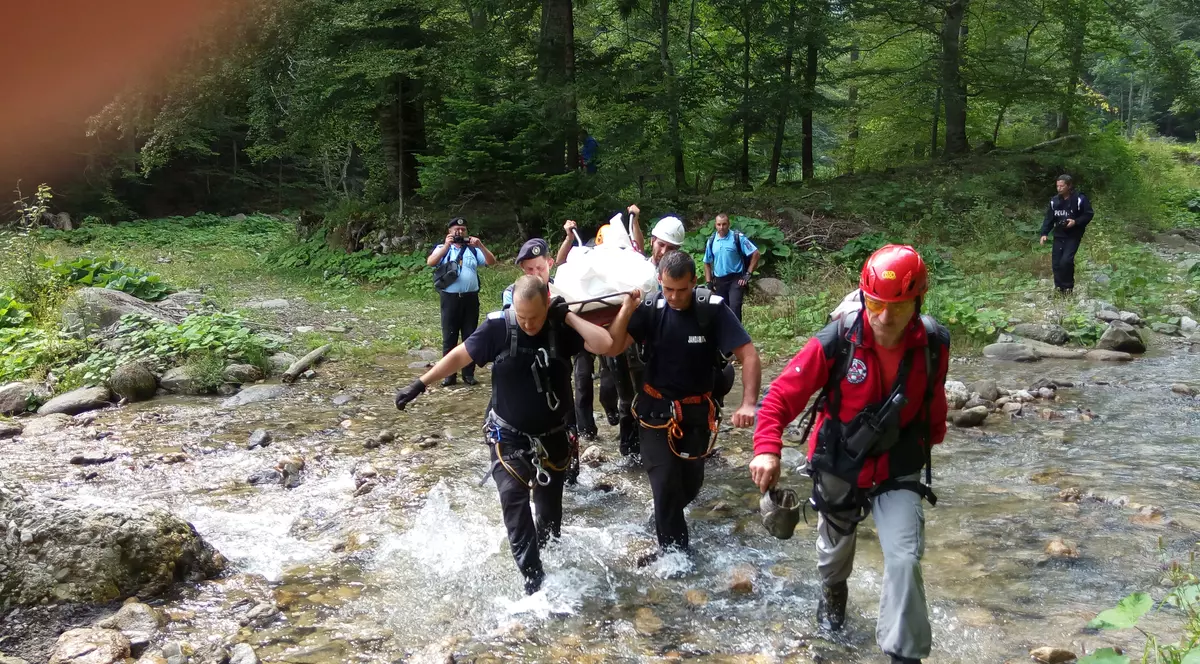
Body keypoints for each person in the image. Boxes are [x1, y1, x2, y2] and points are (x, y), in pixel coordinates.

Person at [748, 244, 950, 664]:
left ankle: (903, 655)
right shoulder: (838, 339)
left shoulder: (933, 343)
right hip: (840, 462)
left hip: (898, 464)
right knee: (834, 559)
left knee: (904, 559)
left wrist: (933, 436)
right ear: (863, 297)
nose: (884, 317)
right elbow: (779, 397)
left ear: (918, 301)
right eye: (875, 304)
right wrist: (767, 450)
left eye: (897, 306)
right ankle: (833, 597)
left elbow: (933, 398)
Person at [394, 275, 635, 594]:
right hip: (506, 435)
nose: (528, 324)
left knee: (549, 515)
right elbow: (461, 355)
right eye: (522, 317)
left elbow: (606, 345)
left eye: (535, 316)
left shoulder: (560, 327)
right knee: (514, 502)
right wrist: (420, 384)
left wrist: (568, 317)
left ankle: (550, 559)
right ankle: (534, 584)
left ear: (547, 304)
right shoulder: (499, 327)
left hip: (553, 437)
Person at [607, 251, 762, 555]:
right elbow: (614, 347)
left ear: (694, 281)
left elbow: (749, 355)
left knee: (690, 485)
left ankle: (662, 518)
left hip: (696, 415)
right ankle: (675, 561)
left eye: (681, 289)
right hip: (654, 413)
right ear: (659, 281)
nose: (674, 297)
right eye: (668, 289)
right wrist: (626, 309)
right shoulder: (651, 308)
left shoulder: (711, 310)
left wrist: (748, 403)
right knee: (665, 482)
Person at [557, 219, 622, 438]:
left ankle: (611, 410)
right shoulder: (583, 257)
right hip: (584, 327)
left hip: (608, 326)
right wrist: (568, 238)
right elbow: (561, 263)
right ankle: (586, 428)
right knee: (583, 378)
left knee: (610, 377)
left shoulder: (619, 263)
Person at [427, 218, 497, 386]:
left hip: (470, 299)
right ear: (450, 231)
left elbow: (491, 262)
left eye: (463, 229)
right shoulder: (443, 248)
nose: (459, 232)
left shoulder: (472, 249)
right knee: (449, 337)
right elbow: (431, 262)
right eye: (456, 229)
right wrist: (446, 246)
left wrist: (480, 245)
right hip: (450, 299)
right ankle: (448, 375)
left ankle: (468, 374)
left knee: (470, 336)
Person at [1039, 174, 1094, 295]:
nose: (1059, 188)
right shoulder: (1054, 201)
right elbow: (1049, 218)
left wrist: (1075, 222)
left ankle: (1068, 288)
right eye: (1057, 186)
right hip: (1059, 234)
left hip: (1074, 234)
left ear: (1069, 186)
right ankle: (1059, 289)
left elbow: (1088, 214)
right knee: (1056, 263)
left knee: (1066, 261)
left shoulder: (1079, 199)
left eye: (1062, 186)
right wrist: (1044, 233)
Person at [703, 213, 760, 321]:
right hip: (719, 281)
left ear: (729, 224)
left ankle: (737, 331)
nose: (721, 227)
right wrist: (709, 282)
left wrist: (748, 274)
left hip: (736, 279)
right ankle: (723, 332)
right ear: (715, 225)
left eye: (724, 224)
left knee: (734, 308)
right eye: (719, 224)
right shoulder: (711, 241)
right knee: (721, 311)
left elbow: (756, 253)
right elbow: (707, 262)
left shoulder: (737, 237)